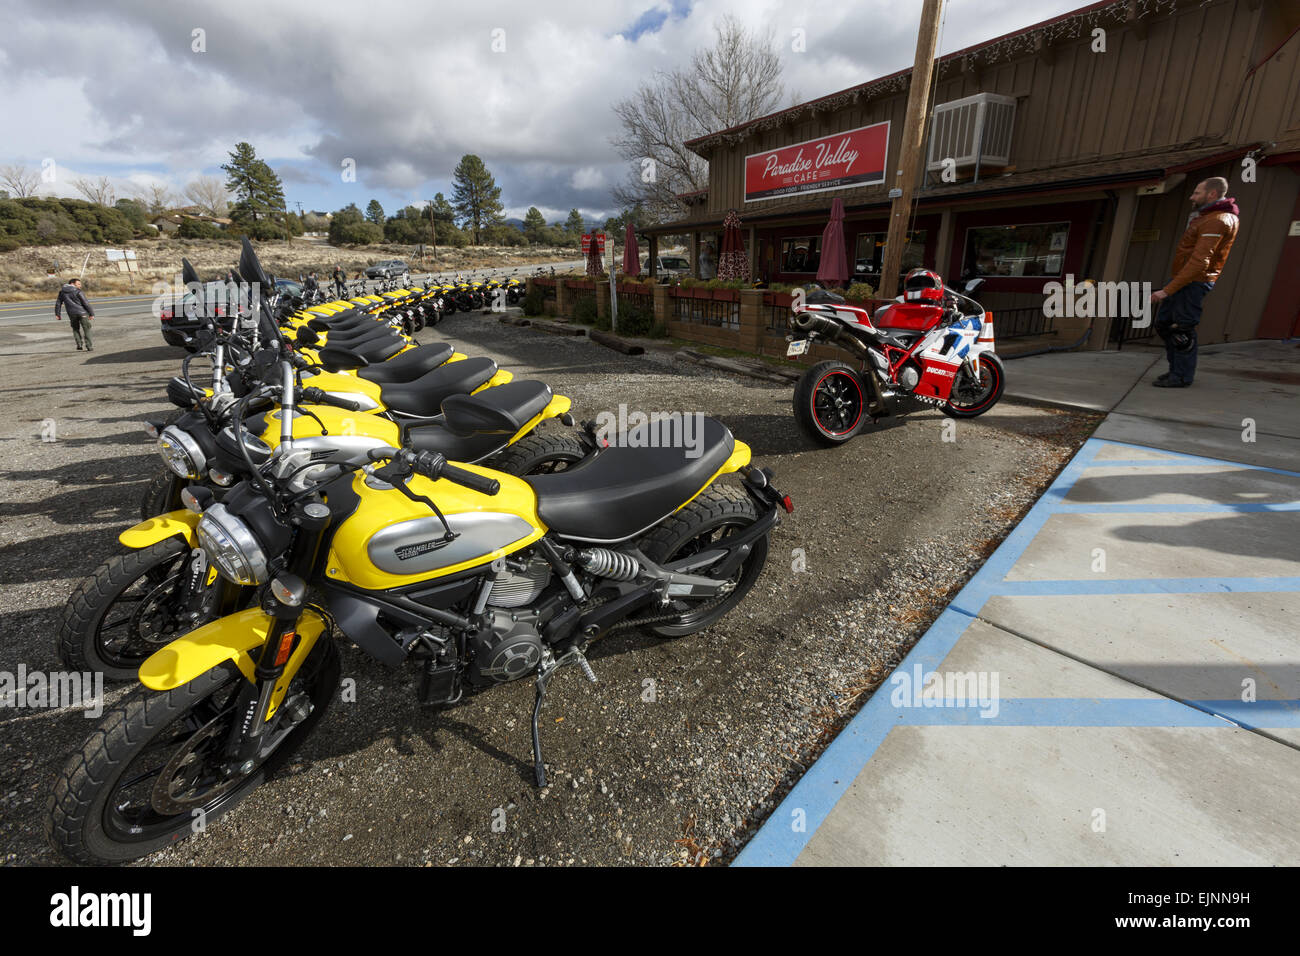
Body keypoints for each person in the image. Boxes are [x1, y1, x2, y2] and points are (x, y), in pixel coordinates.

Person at [1149, 176, 1239, 388]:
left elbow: (1200, 261)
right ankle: (1175, 370)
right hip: (1183, 279)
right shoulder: (1207, 217)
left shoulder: (1218, 220)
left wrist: (1166, 290)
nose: (1192, 196)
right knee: (1164, 324)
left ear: (1212, 194)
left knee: (1182, 328)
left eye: (1197, 192)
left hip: (1194, 281)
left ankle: (1181, 376)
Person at [54, 277, 95, 351]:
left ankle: (79, 345)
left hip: (71, 314)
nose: (80, 286)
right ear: (72, 284)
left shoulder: (62, 292)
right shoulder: (78, 291)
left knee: (75, 329)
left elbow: (58, 303)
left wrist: (57, 314)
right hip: (82, 313)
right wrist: (91, 313)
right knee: (87, 329)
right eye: (78, 284)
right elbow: (86, 303)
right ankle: (89, 346)